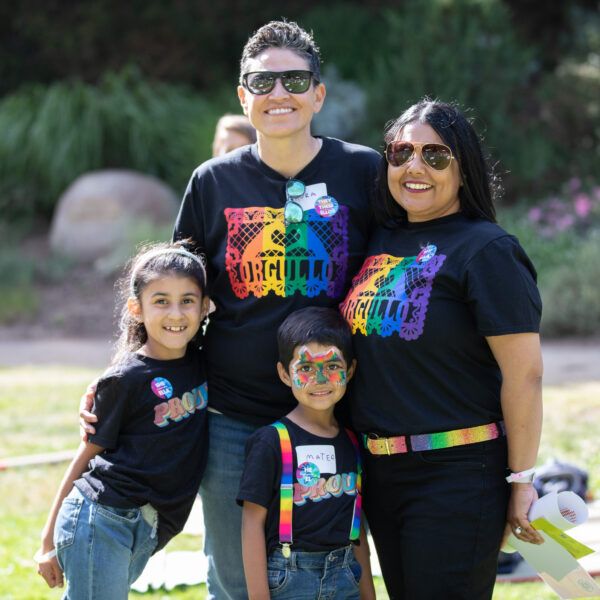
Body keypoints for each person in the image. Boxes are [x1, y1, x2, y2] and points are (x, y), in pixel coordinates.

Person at [80, 19, 380, 600]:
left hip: (334, 414)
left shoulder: (363, 171)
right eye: (262, 83)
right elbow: (169, 299)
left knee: (331, 572)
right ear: (243, 96)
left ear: (319, 93)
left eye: (295, 80)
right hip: (232, 418)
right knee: (233, 578)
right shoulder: (212, 182)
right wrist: (121, 376)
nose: (279, 94)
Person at [339, 99, 544, 600]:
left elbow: (525, 376)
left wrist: (521, 481)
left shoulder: (488, 251)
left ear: (464, 168)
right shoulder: (379, 240)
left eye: (435, 155)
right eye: (402, 151)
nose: (414, 166)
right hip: (380, 472)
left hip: (457, 475)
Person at [39, 242, 210, 599]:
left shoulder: (200, 360)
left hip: (143, 527)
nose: (176, 314)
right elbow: (85, 456)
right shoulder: (125, 378)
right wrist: (47, 540)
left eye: (187, 301)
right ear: (137, 308)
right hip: (100, 519)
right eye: (160, 301)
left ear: (205, 306)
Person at [237, 306, 375, 600]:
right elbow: (251, 523)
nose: (320, 379)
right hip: (289, 580)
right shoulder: (271, 441)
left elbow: (356, 527)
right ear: (285, 374)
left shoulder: (352, 441)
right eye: (306, 369)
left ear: (350, 370)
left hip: (345, 577)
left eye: (333, 366)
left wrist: (368, 594)